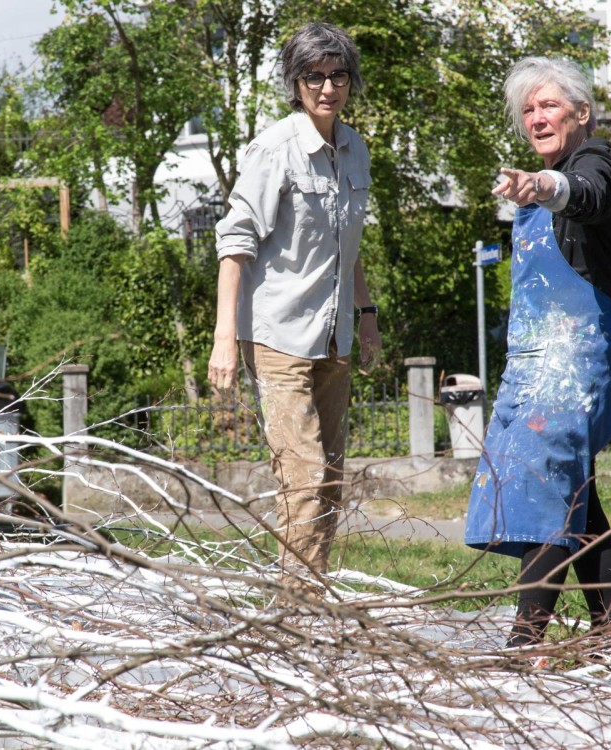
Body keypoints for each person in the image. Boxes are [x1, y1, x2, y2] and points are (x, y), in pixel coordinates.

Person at [464, 56, 611, 650]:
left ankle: (524, 643)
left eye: (550, 105)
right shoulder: (530, 198)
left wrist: (545, 185)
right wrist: (533, 191)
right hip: (535, 367)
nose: (537, 117)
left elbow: (583, 195)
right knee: (577, 501)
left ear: (581, 114)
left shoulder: (596, 163)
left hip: (579, 365)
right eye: (528, 110)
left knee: (544, 486)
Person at [207, 22, 379, 595]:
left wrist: (368, 315)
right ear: (295, 83)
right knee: (302, 475)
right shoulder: (275, 148)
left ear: (350, 81)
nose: (327, 87)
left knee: (328, 477)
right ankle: (298, 610)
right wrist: (223, 340)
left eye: (337, 75)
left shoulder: (356, 149)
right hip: (277, 336)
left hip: (334, 339)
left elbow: (347, 245)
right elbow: (235, 243)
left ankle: (309, 591)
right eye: (314, 76)